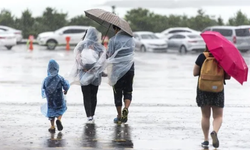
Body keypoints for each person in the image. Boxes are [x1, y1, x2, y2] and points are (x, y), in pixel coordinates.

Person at [193, 46, 230, 149]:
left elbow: (195, 73)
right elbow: (227, 76)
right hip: (218, 89)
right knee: (218, 116)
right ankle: (214, 131)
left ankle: (205, 140)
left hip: (203, 89)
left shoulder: (202, 57)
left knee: (205, 116)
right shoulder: (223, 58)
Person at [70, 27, 106, 123]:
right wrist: (94, 68)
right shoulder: (99, 46)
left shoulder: (81, 46)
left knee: (86, 95)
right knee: (94, 95)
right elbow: (102, 60)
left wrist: (84, 67)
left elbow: (77, 59)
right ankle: (92, 114)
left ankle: (88, 115)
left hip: (84, 73)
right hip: (96, 74)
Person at [106, 25, 135, 124]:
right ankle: (126, 108)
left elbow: (109, 55)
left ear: (116, 29)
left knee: (117, 91)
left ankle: (119, 116)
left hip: (117, 70)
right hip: (130, 68)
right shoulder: (131, 39)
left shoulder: (113, 40)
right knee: (128, 90)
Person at [41, 59, 70, 133]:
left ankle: (52, 126)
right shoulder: (60, 78)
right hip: (59, 98)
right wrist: (66, 90)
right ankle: (59, 119)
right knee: (60, 109)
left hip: (50, 99)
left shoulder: (46, 79)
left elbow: (43, 88)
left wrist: (45, 95)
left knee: (51, 111)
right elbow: (66, 85)